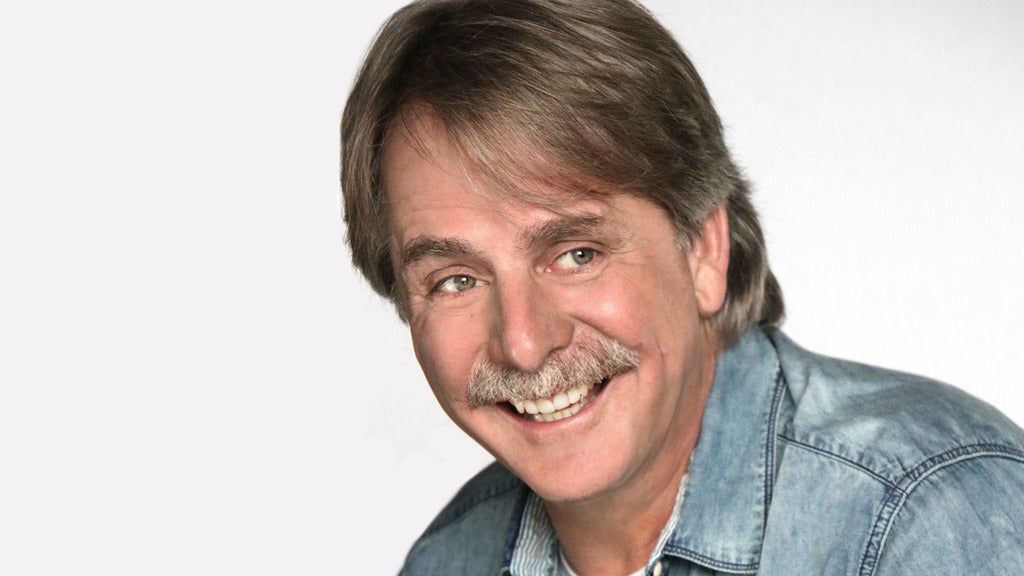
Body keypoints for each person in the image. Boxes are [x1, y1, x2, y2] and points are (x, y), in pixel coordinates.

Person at [339, 0, 1024, 574]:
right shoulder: (450, 560)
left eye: (576, 254)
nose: (522, 343)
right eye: (456, 280)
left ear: (702, 250)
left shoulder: (927, 521)